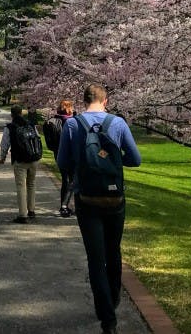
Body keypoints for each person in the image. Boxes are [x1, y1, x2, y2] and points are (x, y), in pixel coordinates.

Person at [57, 84, 142, 334]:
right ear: (106, 101)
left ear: (84, 101)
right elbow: (135, 159)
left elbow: (63, 161)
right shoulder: (117, 123)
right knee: (113, 250)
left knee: (96, 258)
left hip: (87, 198)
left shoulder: (72, 125)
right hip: (115, 198)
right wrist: (113, 159)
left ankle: (108, 320)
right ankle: (114, 298)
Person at [0, 104, 42, 223]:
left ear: (11, 114)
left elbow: (5, 144)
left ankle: (22, 215)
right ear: (21, 113)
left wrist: (2, 157)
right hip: (33, 159)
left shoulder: (10, 127)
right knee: (31, 184)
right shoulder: (31, 125)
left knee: (21, 186)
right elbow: (37, 139)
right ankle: (32, 210)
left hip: (19, 160)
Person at [43, 99, 75, 217]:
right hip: (71, 155)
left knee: (65, 179)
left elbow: (50, 143)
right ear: (69, 109)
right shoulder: (72, 122)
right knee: (72, 179)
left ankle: (64, 205)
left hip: (58, 153)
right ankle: (65, 206)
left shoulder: (51, 122)